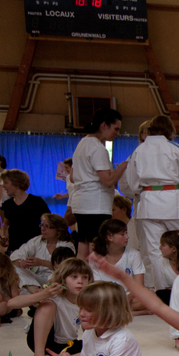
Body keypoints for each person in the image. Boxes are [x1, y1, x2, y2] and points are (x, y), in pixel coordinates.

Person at [120, 115, 179, 289]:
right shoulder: (176, 148)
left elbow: (132, 183)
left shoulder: (138, 150)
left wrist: (144, 191)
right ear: (170, 130)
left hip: (148, 202)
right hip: (174, 201)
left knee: (155, 250)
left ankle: (161, 290)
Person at [71, 108, 128, 260]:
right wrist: (122, 167)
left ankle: (79, 275)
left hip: (81, 204)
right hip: (95, 206)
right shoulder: (97, 148)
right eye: (116, 129)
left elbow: (72, 177)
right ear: (104, 125)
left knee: (82, 250)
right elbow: (107, 181)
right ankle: (95, 276)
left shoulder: (82, 143)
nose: (117, 133)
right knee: (96, 251)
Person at [27, 257, 92, 356]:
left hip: (67, 344)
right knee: (48, 305)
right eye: (74, 277)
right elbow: (12, 303)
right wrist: (41, 295)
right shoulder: (55, 297)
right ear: (63, 279)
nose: (80, 281)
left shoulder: (85, 301)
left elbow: (89, 330)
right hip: (44, 342)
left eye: (84, 277)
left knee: (96, 348)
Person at [88, 219, 148, 315]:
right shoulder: (95, 257)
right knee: (92, 300)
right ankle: (130, 312)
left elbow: (139, 286)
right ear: (110, 237)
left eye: (126, 233)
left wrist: (126, 299)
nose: (127, 237)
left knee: (148, 297)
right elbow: (98, 286)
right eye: (122, 234)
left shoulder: (134, 254)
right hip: (106, 298)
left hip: (128, 297)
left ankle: (114, 311)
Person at [10, 213, 70, 291]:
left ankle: (36, 292)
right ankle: (36, 291)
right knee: (16, 269)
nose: (42, 229)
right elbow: (16, 256)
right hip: (37, 280)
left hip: (56, 278)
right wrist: (22, 262)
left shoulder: (66, 246)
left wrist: (42, 262)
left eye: (46, 226)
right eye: (42, 225)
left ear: (58, 230)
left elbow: (67, 268)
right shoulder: (36, 241)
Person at [0, 169, 51, 255]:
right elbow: (6, 224)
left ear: (17, 184)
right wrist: (3, 236)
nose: (3, 186)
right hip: (14, 250)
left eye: (6, 183)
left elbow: (49, 222)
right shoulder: (7, 204)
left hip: (34, 249)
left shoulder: (37, 202)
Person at [154, 229, 179, 304]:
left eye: (163, 245)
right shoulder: (163, 262)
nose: (160, 248)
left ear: (174, 249)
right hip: (175, 296)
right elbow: (168, 289)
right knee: (157, 294)